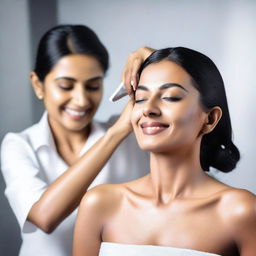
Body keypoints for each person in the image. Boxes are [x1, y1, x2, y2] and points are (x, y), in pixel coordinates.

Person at [73, 47, 256, 256]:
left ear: (210, 119)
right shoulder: (99, 204)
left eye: (170, 97)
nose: (148, 108)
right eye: (140, 98)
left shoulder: (241, 211)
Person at [0, 24, 153, 256]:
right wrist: (115, 133)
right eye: (65, 86)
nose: (81, 100)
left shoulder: (133, 135)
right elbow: (44, 217)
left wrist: (155, 61)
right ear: (37, 84)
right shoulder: (19, 145)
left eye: (93, 85)